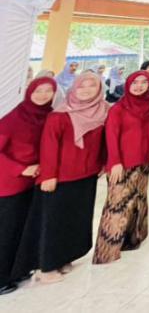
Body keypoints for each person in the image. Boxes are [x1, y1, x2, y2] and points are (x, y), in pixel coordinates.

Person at [35, 72, 107, 283]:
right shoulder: (60, 114)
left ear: (99, 89)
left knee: (76, 220)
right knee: (54, 222)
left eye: (92, 86)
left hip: (87, 176)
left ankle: (64, 258)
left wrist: (103, 163)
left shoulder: (103, 110)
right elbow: (48, 146)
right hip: (60, 178)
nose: (86, 90)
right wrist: (49, 175)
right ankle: (46, 267)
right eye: (81, 86)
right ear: (73, 88)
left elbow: (104, 142)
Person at [93, 71, 149, 264]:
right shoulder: (118, 109)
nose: (139, 86)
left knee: (137, 201)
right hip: (122, 163)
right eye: (135, 82)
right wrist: (114, 162)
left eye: (144, 82)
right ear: (128, 84)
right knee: (117, 206)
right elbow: (111, 136)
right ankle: (106, 252)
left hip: (143, 161)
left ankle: (131, 241)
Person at [0, 77, 56, 294]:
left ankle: (16, 271)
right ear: (29, 92)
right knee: (6, 232)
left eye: (48, 90)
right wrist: (20, 169)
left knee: (22, 230)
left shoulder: (48, 116)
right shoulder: (13, 119)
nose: (43, 95)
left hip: (32, 184)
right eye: (38, 90)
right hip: (9, 185)